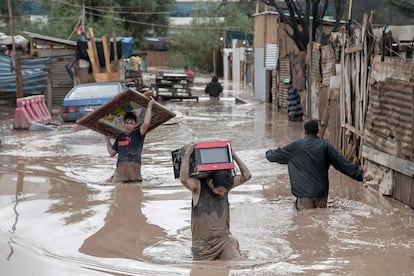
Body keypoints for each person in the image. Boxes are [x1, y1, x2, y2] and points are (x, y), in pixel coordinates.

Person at [265, 119, 371, 211]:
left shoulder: (295, 147)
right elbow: (342, 164)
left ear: (304, 131)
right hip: (322, 196)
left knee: (305, 225)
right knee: (321, 223)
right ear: (318, 131)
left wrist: (268, 152)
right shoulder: (326, 146)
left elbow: (275, 155)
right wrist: (360, 174)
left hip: (304, 196)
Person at [179, 143, 252, 260]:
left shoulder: (225, 185)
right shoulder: (198, 187)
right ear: (210, 182)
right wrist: (187, 154)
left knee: (237, 262)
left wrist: (233, 154)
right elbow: (183, 179)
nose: (223, 193)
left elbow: (247, 175)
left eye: (225, 191)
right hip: (203, 247)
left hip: (224, 241)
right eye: (219, 190)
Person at [105, 97, 155, 183]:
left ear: (135, 125)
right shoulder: (120, 137)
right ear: (123, 123)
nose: (128, 125)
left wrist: (149, 107)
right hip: (121, 175)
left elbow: (146, 123)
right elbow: (111, 153)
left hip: (134, 175)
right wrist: (106, 139)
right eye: (126, 123)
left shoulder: (138, 134)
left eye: (131, 123)